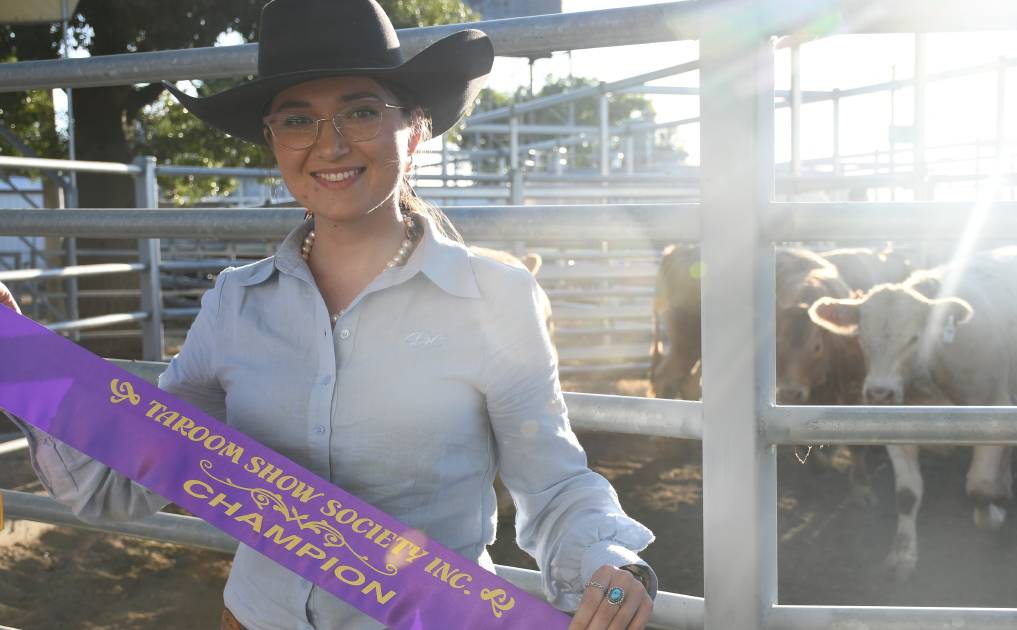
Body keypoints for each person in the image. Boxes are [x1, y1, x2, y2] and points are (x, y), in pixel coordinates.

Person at [0, 1, 657, 628]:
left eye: (362, 111)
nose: (330, 144)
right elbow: (133, 470)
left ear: (416, 126)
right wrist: (16, 355)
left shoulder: (494, 299)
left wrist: (609, 563)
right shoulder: (235, 303)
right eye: (296, 119)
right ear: (272, 140)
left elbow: (555, 486)